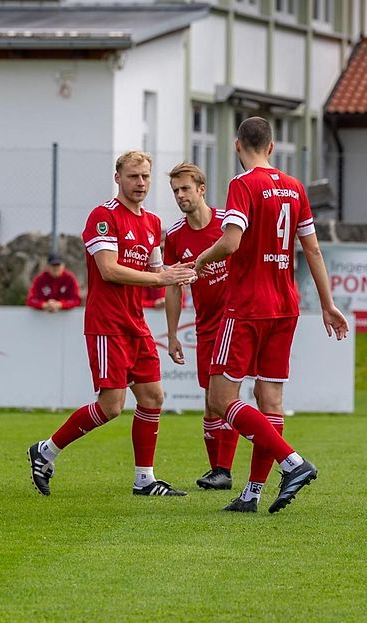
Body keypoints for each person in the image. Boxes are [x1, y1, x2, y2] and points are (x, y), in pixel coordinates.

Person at [194, 117, 348, 513]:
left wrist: (199, 259)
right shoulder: (295, 188)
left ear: (237, 145)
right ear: (273, 146)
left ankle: (293, 462)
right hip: (286, 306)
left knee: (221, 396)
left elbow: (229, 243)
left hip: (246, 306)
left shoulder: (242, 184)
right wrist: (329, 304)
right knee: (270, 399)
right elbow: (312, 250)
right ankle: (252, 494)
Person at [26, 150, 196, 498]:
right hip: (107, 324)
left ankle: (144, 479)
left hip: (135, 323)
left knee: (152, 397)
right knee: (111, 406)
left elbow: (155, 273)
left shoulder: (151, 223)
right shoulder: (103, 217)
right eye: (133, 176)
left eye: (146, 177)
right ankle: (46, 450)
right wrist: (162, 278)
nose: (141, 183)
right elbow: (109, 269)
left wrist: (176, 276)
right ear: (118, 177)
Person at [163, 162, 238, 491]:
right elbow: (173, 286)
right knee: (210, 401)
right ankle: (217, 471)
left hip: (235, 320)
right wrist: (172, 334)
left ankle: (225, 468)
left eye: (186, 189)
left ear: (201, 189)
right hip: (206, 326)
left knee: (225, 398)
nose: (180, 195)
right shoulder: (176, 236)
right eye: (176, 190)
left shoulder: (227, 224)